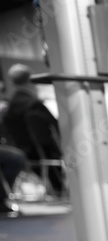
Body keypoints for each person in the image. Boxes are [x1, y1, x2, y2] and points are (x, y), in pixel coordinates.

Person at [0, 63, 64, 199]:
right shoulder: (33, 104)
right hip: (43, 153)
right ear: (31, 79)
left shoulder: (11, 106)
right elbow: (58, 128)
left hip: (25, 151)